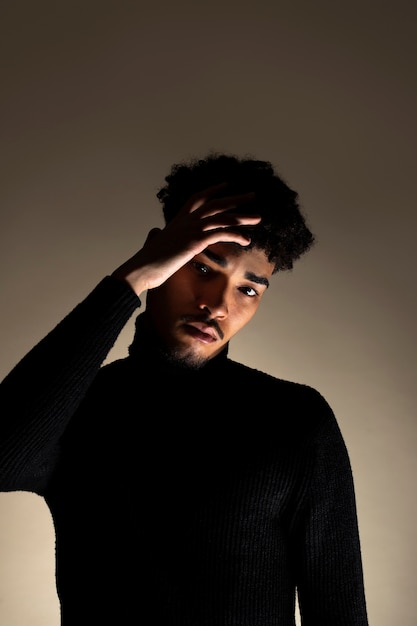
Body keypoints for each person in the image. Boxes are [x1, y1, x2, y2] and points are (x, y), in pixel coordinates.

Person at [0, 152, 369, 625]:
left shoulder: (295, 419)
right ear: (162, 253)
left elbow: (339, 612)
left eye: (248, 289)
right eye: (202, 267)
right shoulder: (81, 408)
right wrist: (129, 279)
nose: (217, 304)